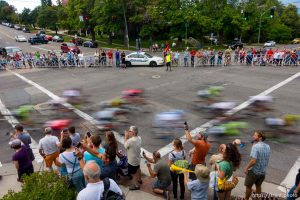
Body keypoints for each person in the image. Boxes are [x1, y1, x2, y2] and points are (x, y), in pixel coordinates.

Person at [244, 131, 270, 200]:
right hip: (262, 172)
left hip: (254, 172)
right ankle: (258, 199)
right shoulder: (268, 146)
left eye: (255, 135)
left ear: (260, 138)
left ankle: (246, 199)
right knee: (258, 186)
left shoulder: (256, 147)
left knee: (248, 186)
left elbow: (253, 161)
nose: (253, 136)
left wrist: (246, 168)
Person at [124, 126, 142, 190]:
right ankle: (140, 180)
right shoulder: (139, 138)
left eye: (130, 131)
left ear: (133, 132)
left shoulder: (130, 141)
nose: (128, 132)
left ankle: (136, 186)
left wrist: (126, 137)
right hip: (137, 159)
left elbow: (125, 146)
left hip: (132, 161)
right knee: (138, 169)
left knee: (133, 174)